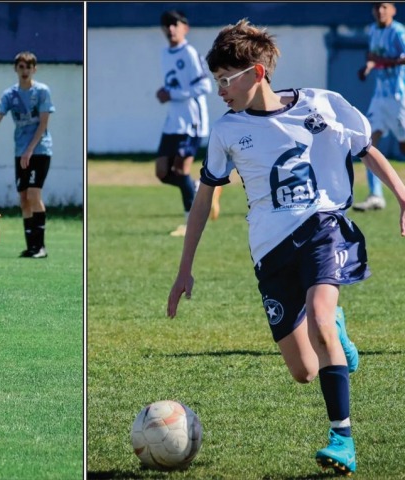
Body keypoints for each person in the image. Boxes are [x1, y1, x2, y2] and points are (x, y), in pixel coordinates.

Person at [167, 19, 405, 476]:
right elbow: (203, 201)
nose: (220, 90)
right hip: (269, 251)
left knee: (319, 319)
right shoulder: (226, 132)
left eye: (225, 80)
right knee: (304, 371)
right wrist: (184, 270)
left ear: (256, 74)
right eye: (216, 80)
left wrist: (402, 195)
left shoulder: (320, 104)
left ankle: (343, 439)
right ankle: (333, 326)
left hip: (323, 226)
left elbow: (364, 147)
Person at [0, 51, 55, 259]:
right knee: (24, 198)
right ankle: (31, 247)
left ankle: (41, 246)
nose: (24, 70)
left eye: (28, 67)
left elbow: (43, 123)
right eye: (21, 67)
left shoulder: (42, 92)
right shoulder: (10, 94)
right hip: (21, 151)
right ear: (16, 69)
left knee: (34, 195)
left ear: (34, 69)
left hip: (40, 150)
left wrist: (30, 150)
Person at [153, 10, 219, 237]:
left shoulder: (190, 53)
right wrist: (165, 93)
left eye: (174, 24)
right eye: (166, 25)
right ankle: (199, 188)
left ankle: (189, 222)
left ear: (185, 28)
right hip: (172, 121)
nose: (170, 29)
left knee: (181, 170)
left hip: (191, 121)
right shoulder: (164, 53)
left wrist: (173, 94)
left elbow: (205, 87)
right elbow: (173, 86)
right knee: (162, 172)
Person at [354, 2, 405, 211]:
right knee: (368, 142)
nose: (380, 11)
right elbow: (373, 55)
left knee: (403, 147)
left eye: (384, 6)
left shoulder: (398, 31)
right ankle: (376, 195)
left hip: (399, 97)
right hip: (380, 97)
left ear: (393, 9)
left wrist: (379, 61)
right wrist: (368, 66)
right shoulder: (374, 29)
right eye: (376, 7)